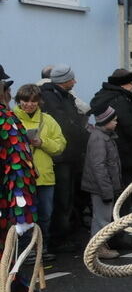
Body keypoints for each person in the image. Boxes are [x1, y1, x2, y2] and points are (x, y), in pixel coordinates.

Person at [0, 66, 44, 292]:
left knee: (1, 267)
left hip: (2, 207)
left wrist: (22, 213)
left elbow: (20, 168)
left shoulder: (6, 120)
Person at [12, 84, 66, 262]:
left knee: (45, 215)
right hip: (20, 177)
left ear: (39, 101)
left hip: (44, 176)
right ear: (18, 100)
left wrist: (41, 142)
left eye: (33, 101)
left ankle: (42, 248)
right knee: (23, 216)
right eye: (25, 100)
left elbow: (60, 145)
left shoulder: (47, 120)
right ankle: (26, 251)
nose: (29, 104)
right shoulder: (10, 118)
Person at [39, 65, 89, 252]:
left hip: (69, 155)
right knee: (62, 199)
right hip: (62, 158)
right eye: (72, 79)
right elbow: (66, 124)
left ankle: (63, 235)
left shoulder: (62, 96)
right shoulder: (52, 97)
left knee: (67, 199)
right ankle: (58, 239)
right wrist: (85, 137)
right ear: (64, 80)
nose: (75, 82)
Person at [91, 69, 132, 196]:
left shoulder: (104, 96)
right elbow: (131, 126)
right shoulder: (121, 100)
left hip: (112, 149)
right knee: (127, 191)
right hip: (126, 152)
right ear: (123, 84)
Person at [81, 106, 121, 260]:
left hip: (104, 185)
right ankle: (98, 248)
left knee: (102, 216)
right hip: (101, 186)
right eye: (114, 120)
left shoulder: (105, 136)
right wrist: (106, 190)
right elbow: (99, 166)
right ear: (106, 121)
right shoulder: (99, 138)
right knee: (101, 217)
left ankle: (100, 245)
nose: (116, 122)